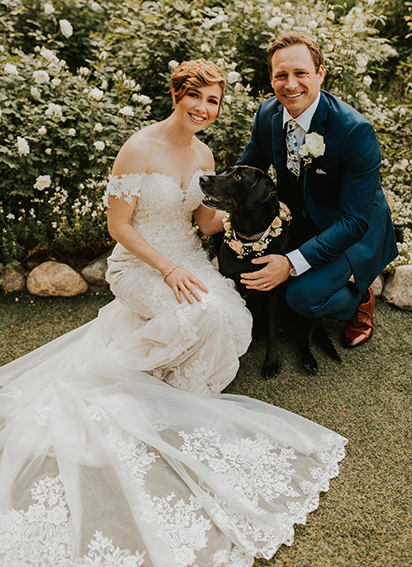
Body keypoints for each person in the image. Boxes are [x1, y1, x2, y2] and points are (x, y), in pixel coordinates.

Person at [0, 58, 347, 567]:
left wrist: (257, 214)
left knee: (232, 315)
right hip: (141, 263)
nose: (203, 109)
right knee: (199, 316)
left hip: (187, 254)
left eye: (213, 101)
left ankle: (181, 385)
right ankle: (149, 387)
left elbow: (206, 221)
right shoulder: (139, 148)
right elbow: (120, 227)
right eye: (195, 97)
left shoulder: (204, 151)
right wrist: (165, 269)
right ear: (176, 95)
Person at [238, 32, 398, 348]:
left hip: (353, 228)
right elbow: (249, 171)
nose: (290, 84)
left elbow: (354, 222)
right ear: (271, 79)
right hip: (302, 219)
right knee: (257, 278)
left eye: (301, 73)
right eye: (281, 75)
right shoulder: (267, 114)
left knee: (303, 299)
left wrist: (290, 263)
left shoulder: (355, 132)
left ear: (320, 73)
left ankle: (359, 299)